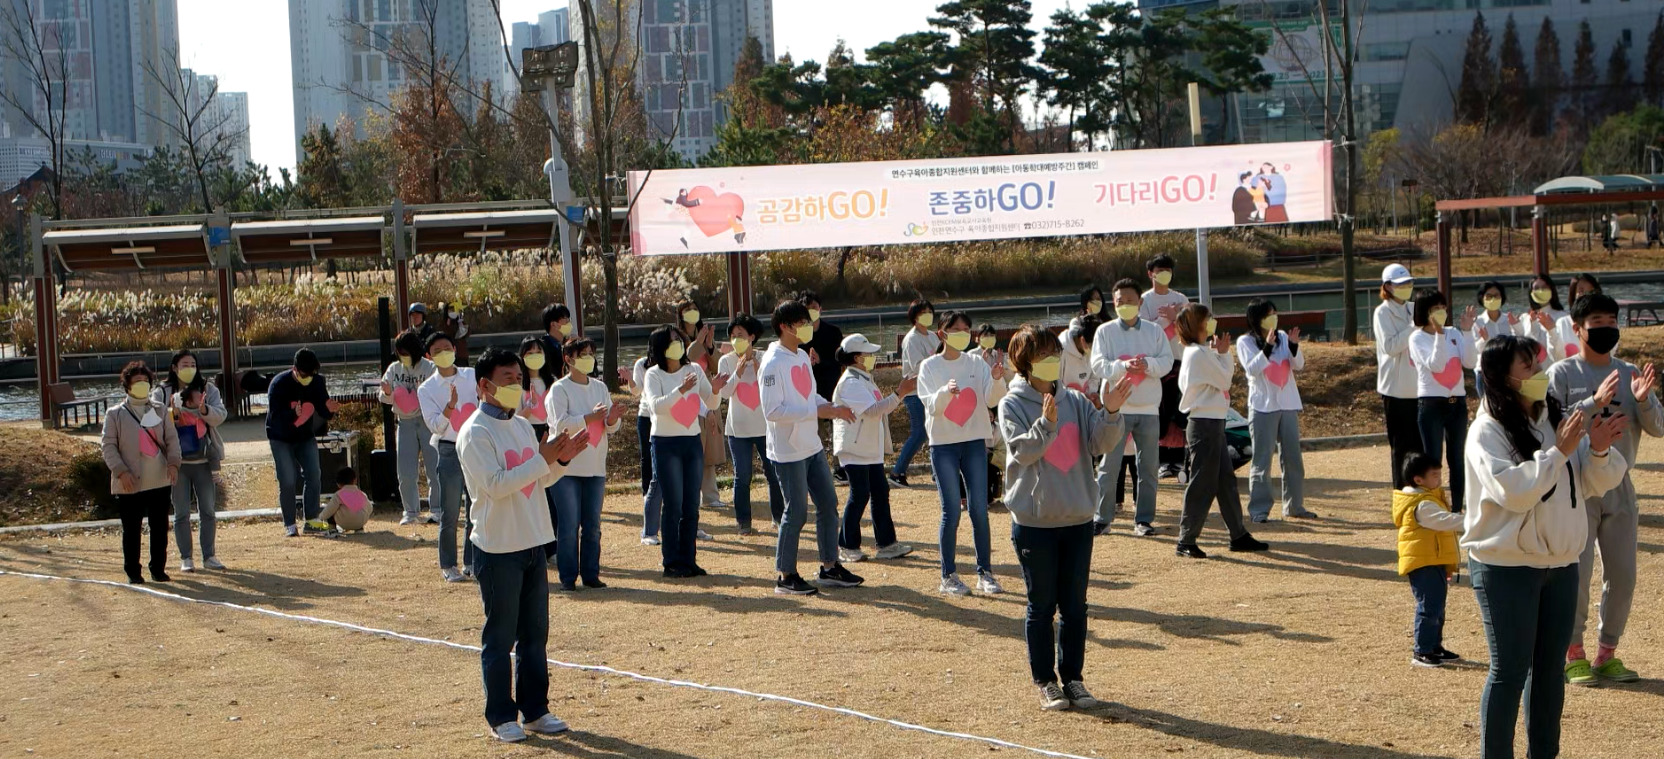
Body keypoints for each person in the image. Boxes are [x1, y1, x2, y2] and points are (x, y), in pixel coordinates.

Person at [1464, 334, 1627, 759]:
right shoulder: (1487, 431)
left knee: (1550, 672)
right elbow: (1514, 491)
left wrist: (1601, 451)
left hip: (1561, 563)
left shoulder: (1552, 417)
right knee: (1509, 671)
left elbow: (1588, 484)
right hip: (1506, 567)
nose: (1538, 375)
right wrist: (1559, 453)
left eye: (1537, 365)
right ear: (1501, 378)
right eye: (1527, 368)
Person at [456, 347, 587, 743]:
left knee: (535, 634)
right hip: (498, 548)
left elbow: (536, 481)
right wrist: (542, 459)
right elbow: (495, 486)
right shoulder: (474, 432)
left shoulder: (520, 425)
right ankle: (500, 716)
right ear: (484, 385)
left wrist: (559, 461)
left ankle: (536, 710)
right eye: (508, 378)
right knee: (500, 636)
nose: (517, 385)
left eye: (519, 378)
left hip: (533, 541)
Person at [999, 325, 1133, 711]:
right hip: (1035, 524)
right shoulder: (1012, 404)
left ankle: (1073, 679)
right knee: (1041, 606)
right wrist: (1047, 423)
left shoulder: (1074, 399)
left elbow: (1100, 443)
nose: (1052, 361)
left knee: (1075, 607)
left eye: (1054, 354)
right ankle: (1045, 681)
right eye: (1043, 355)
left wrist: (1110, 411)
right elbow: (1022, 452)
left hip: (1076, 520)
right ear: (1025, 363)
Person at [1547, 293, 1663, 686]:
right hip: (1577, 484)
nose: (1606, 327)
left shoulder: (1630, 372)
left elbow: (1657, 427)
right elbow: (1553, 427)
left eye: (1612, 320)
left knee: (1623, 574)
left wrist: (1644, 402)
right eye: (1597, 320)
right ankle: (1573, 651)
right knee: (1577, 572)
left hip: (1620, 485)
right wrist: (1594, 402)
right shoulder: (1561, 374)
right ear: (1577, 328)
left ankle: (1607, 653)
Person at [761, 301, 863, 594]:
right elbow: (772, 411)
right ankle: (786, 575)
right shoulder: (772, 363)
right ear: (785, 326)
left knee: (828, 504)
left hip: (811, 444)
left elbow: (809, 396)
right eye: (802, 322)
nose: (808, 326)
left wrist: (831, 407)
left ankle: (829, 567)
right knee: (796, 512)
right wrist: (814, 411)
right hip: (787, 449)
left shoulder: (803, 358)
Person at [919, 310, 1007, 596]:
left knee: (979, 509)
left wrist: (995, 378)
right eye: (957, 329)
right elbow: (931, 405)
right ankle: (949, 576)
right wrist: (946, 391)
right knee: (951, 511)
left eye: (967, 329)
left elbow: (992, 399)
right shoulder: (929, 367)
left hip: (973, 442)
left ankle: (986, 573)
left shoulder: (977, 363)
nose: (964, 334)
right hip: (943, 444)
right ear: (943, 334)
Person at [1173, 305, 1268, 558]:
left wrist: (1221, 354)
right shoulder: (1197, 354)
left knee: (1226, 482)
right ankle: (1186, 540)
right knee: (1202, 484)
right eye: (1207, 320)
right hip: (1204, 425)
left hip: (1212, 423)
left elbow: (1223, 377)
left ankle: (1238, 534)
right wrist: (1225, 354)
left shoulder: (1201, 352)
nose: (1212, 323)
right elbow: (1226, 379)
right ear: (1197, 325)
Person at [1091, 278, 1173, 536]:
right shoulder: (1105, 332)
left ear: (1140, 302)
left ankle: (1144, 520)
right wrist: (1122, 367)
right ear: (1113, 304)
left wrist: (1146, 364)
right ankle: (1102, 519)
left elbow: (1167, 362)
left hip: (1148, 408)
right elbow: (1098, 366)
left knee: (1148, 467)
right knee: (1109, 466)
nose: (1124, 305)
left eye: (1129, 301)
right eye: (1119, 302)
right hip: (1116, 409)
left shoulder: (1154, 331)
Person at [545, 337, 628, 591]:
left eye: (591, 353)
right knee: (569, 525)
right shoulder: (559, 390)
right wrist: (588, 417)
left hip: (595, 468)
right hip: (566, 467)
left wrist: (612, 419)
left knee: (592, 526)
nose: (589, 358)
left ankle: (591, 574)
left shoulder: (600, 387)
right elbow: (559, 425)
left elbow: (609, 428)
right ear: (568, 359)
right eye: (583, 354)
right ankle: (568, 578)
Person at [643, 324, 723, 578]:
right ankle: (671, 561)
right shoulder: (653, 375)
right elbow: (656, 407)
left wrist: (717, 388)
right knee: (673, 504)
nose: (678, 344)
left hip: (691, 443)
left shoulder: (694, 369)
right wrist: (681, 390)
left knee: (691, 505)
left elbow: (710, 402)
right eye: (672, 341)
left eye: (679, 339)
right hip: (665, 444)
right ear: (660, 348)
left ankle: (689, 559)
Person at [832, 334, 916, 562]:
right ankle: (847, 545)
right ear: (857, 357)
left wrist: (899, 393)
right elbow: (873, 410)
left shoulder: (863, 379)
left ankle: (887, 544)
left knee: (879, 492)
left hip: (868, 448)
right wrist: (900, 392)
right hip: (855, 448)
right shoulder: (850, 382)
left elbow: (877, 410)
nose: (873, 358)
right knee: (859, 494)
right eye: (868, 354)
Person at [1236, 300, 1315, 522]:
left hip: (1288, 404)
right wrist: (1267, 347)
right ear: (1257, 318)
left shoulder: (1281, 336)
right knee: (1262, 460)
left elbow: (1298, 364)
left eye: (1275, 313)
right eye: (1269, 314)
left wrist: (1293, 346)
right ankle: (1259, 510)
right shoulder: (1245, 341)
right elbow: (1252, 369)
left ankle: (1294, 506)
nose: (1274, 318)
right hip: (1263, 407)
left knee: (1293, 459)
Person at [102, 362, 182, 584]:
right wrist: (120, 471)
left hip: (159, 479)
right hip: (130, 482)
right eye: (137, 382)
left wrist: (174, 464)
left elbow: (172, 440)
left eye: (145, 382)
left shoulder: (159, 409)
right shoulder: (115, 414)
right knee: (131, 529)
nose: (142, 386)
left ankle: (158, 568)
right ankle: (133, 571)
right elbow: (108, 446)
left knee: (159, 527)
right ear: (127, 385)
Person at [154, 350, 227, 571]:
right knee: (181, 512)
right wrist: (173, 413)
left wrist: (202, 409)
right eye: (185, 364)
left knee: (208, 510)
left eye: (193, 364)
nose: (190, 368)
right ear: (174, 367)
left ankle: (209, 556)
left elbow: (220, 415)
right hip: (177, 463)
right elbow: (152, 417)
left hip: (204, 460)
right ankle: (186, 557)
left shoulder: (208, 388)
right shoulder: (162, 391)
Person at [1393, 452, 1464, 668]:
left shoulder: (1430, 498)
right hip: (1424, 562)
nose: (1439, 479)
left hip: (1433, 559)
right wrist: (1477, 521)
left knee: (1437, 606)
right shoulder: (1422, 504)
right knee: (1429, 606)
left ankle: (1434, 646)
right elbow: (1445, 521)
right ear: (1418, 479)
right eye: (1434, 475)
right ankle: (1421, 650)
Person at [1409, 289, 1477, 514]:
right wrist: (1438, 335)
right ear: (1424, 313)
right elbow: (1436, 365)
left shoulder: (1454, 333)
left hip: (1457, 403)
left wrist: (1467, 332)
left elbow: (1469, 361)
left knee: (1457, 458)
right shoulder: (1417, 337)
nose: (1441, 313)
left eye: (1442, 308)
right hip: (1431, 405)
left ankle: (1457, 509)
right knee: (1433, 459)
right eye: (1434, 309)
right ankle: (1433, 506)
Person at [418, 333, 478, 583]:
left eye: (447, 348)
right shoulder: (427, 388)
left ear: (455, 349)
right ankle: (448, 564)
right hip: (449, 448)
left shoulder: (472, 375)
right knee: (450, 511)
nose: (443, 353)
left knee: (475, 507)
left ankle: (471, 561)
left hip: (476, 446)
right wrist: (450, 406)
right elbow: (435, 426)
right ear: (429, 356)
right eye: (437, 350)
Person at [715, 313, 782, 534]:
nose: (736, 340)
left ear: (752, 337)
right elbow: (724, 393)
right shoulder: (726, 361)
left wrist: (759, 367)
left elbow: (773, 388)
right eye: (733, 336)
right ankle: (744, 522)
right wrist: (738, 372)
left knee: (773, 473)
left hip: (765, 427)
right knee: (742, 476)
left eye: (741, 335)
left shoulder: (765, 358)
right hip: (738, 430)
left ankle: (779, 518)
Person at [266, 348, 338, 537]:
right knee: (288, 479)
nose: (309, 378)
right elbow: (274, 417)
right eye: (305, 374)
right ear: (295, 369)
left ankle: (312, 521)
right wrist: (293, 414)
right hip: (280, 437)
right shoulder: (278, 384)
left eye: (312, 374)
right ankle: (289, 523)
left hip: (305, 437)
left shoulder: (317, 382)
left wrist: (330, 410)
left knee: (314, 475)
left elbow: (323, 409)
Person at [379, 330, 439, 526]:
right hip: (404, 421)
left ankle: (437, 509)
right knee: (405, 470)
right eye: (399, 352)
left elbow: (437, 393)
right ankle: (410, 511)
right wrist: (387, 392)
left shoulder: (430, 367)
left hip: (426, 421)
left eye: (405, 352)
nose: (402, 356)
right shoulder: (394, 368)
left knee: (434, 467)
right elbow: (384, 396)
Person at [1140, 255, 1191, 481]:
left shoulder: (1181, 297)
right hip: (1158, 364)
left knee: (1180, 411)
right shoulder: (1144, 300)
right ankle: (1163, 461)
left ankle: (1180, 461)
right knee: (1161, 411)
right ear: (1151, 273)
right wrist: (1167, 319)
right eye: (1161, 270)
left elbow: (1191, 325)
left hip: (1180, 361)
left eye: (1169, 270)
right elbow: (1144, 331)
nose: (1165, 274)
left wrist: (1178, 315)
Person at [1375, 263, 1422, 489]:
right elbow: (1390, 346)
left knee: (1419, 445)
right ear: (1388, 287)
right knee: (1401, 446)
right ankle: (1401, 493)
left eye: (1409, 283)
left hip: (1419, 387)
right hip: (1395, 389)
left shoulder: (1415, 308)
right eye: (1401, 284)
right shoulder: (1382, 312)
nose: (1407, 287)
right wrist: (1413, 327)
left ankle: (1420, 491)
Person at [890, 298, 939, 489]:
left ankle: (936, 474)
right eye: (922, 312)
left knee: (933, 432)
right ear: (914, 317)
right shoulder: (911, 339)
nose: (927, 315)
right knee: (920, 433)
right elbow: (919, 366)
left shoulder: (933, 336)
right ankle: (897, 472)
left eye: (929, 311)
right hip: (915, 392)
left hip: (931, 390)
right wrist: (937, 361)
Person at [624, 353, 665, 545]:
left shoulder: (673, 363)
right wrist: (629, 380)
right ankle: (647, 497)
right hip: (646, 416)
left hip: (665, 416)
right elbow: (637, 391)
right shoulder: (641, 363)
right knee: (646, 458)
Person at [1471, 281, 1520, 400]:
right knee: (1488, 410)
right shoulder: (1477, 322)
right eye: (1489, 296)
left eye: (1496, 295)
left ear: (1502, 297)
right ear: (1482, 298)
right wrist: (1485, 340)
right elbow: (1475, 349)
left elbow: (1518, 343)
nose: (1493, 299)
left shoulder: (1509, 319)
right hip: (1485, 373)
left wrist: (1518, 326)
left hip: (1507, 372)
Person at [1549, 273, 1600, 362]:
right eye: (1581, 291)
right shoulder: (1563, 323)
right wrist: (1551, 330)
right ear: (1573, 295)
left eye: (1591, 291)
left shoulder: (1604, 321)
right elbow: (1556, 357)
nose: (1587, 295)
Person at [1521, 275, 1567, 369]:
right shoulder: (1524, 318)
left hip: (1556, 371)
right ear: (1531, 293)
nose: (1541, 291)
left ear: (1551, 289)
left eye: (1544, 287)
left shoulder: (1562, 316)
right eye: (1536, 288)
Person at [518, 336, 555, 443]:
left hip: (551, 433)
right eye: (530, 353)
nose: (535, 356)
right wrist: (530, 405)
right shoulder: (518, 384)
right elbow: (514, 420)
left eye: (538, 352)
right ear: (522, 356)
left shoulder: (553, 381)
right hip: (528, 435)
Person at [318, 468, 373, 534]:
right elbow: (370, 507)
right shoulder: (361, 494)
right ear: (355, 480)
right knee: (359, 511)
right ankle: (359, 529)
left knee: (332, 510)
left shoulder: (338, 495)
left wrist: (320, 517)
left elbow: (329, 509)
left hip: (343, 522)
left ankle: (332, 529)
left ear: (338, 484)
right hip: (360, 522)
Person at [438, 302, 471, 366]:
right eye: (451, 310)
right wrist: (448, 326)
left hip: (461, 355)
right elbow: (445, 334)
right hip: (448, 356)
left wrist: (461, 322)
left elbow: (467, 333)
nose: (453, 312)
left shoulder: (460, 321)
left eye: (454, 310)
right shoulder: (443, 323)